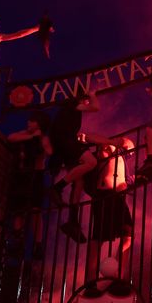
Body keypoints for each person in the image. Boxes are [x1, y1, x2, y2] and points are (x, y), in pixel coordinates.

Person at [47, 91, 101, 242]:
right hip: (68, 143)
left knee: (79, 181)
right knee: (91, 162)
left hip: (62, 146)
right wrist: (92, 95)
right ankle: (57, 187)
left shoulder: (65, 111)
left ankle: (73, 220)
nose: (87, 103)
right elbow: (96, 107)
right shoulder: (73, 105)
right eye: (85, 100)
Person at [85, 137, 136, 281]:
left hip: (118, 198)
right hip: (105, 195)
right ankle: (90, 281)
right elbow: (120, 143)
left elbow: (128, 143)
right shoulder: (102, 154)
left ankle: (119, 276)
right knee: (98, 236)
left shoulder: (121, 158)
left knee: (128, 233)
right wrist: (92, 138)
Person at [6, 111, 53, 258]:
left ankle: (38, 244)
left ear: (40, 123)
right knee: (19, 209)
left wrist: (38, 139)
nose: (29, 123)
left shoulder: (44, 138)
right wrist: (30, 136)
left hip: (36, 175)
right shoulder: (24, 133)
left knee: (35, 210)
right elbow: (11, 138)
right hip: (23, 175)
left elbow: (49, 152)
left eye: (32, 121)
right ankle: (16, 239)